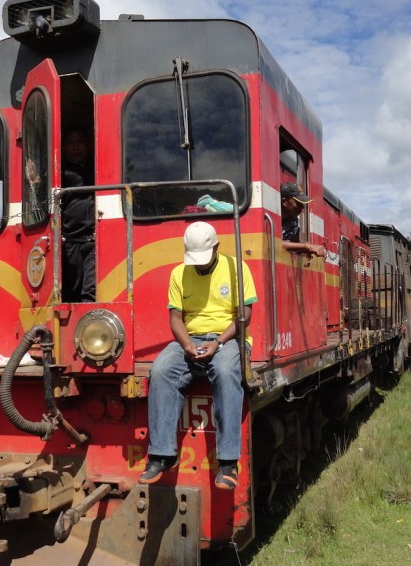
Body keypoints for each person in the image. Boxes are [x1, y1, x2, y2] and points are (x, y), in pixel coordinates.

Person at [139, 222, 257, 491]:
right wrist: (187, 345)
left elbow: (245, 316)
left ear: (217, 247)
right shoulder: (179, 274)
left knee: (226, 372)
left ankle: (228, 462)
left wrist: (218, 342)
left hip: (229, 338)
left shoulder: (237, 268)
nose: (200, 265)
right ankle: (161, 455)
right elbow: (176, 319)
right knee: (160, 370)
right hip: (191, 339)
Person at [61, 127, 96, 302]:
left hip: (93, 238)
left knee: (90, 290)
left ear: (88, 145)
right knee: (71, 289)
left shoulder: (98, 167)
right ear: (64, 147)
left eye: (80, 142)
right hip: (69, 240)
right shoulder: (60, 171)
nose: (76, 147)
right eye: (70, 143)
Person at [279, 182, 326, 259]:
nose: (302, 207)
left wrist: (304, 250)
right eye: (298, 203)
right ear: (285, 202)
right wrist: (306, 246)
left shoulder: (293, 222)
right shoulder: (270, 216)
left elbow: (293, 244)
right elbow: (272, 242)